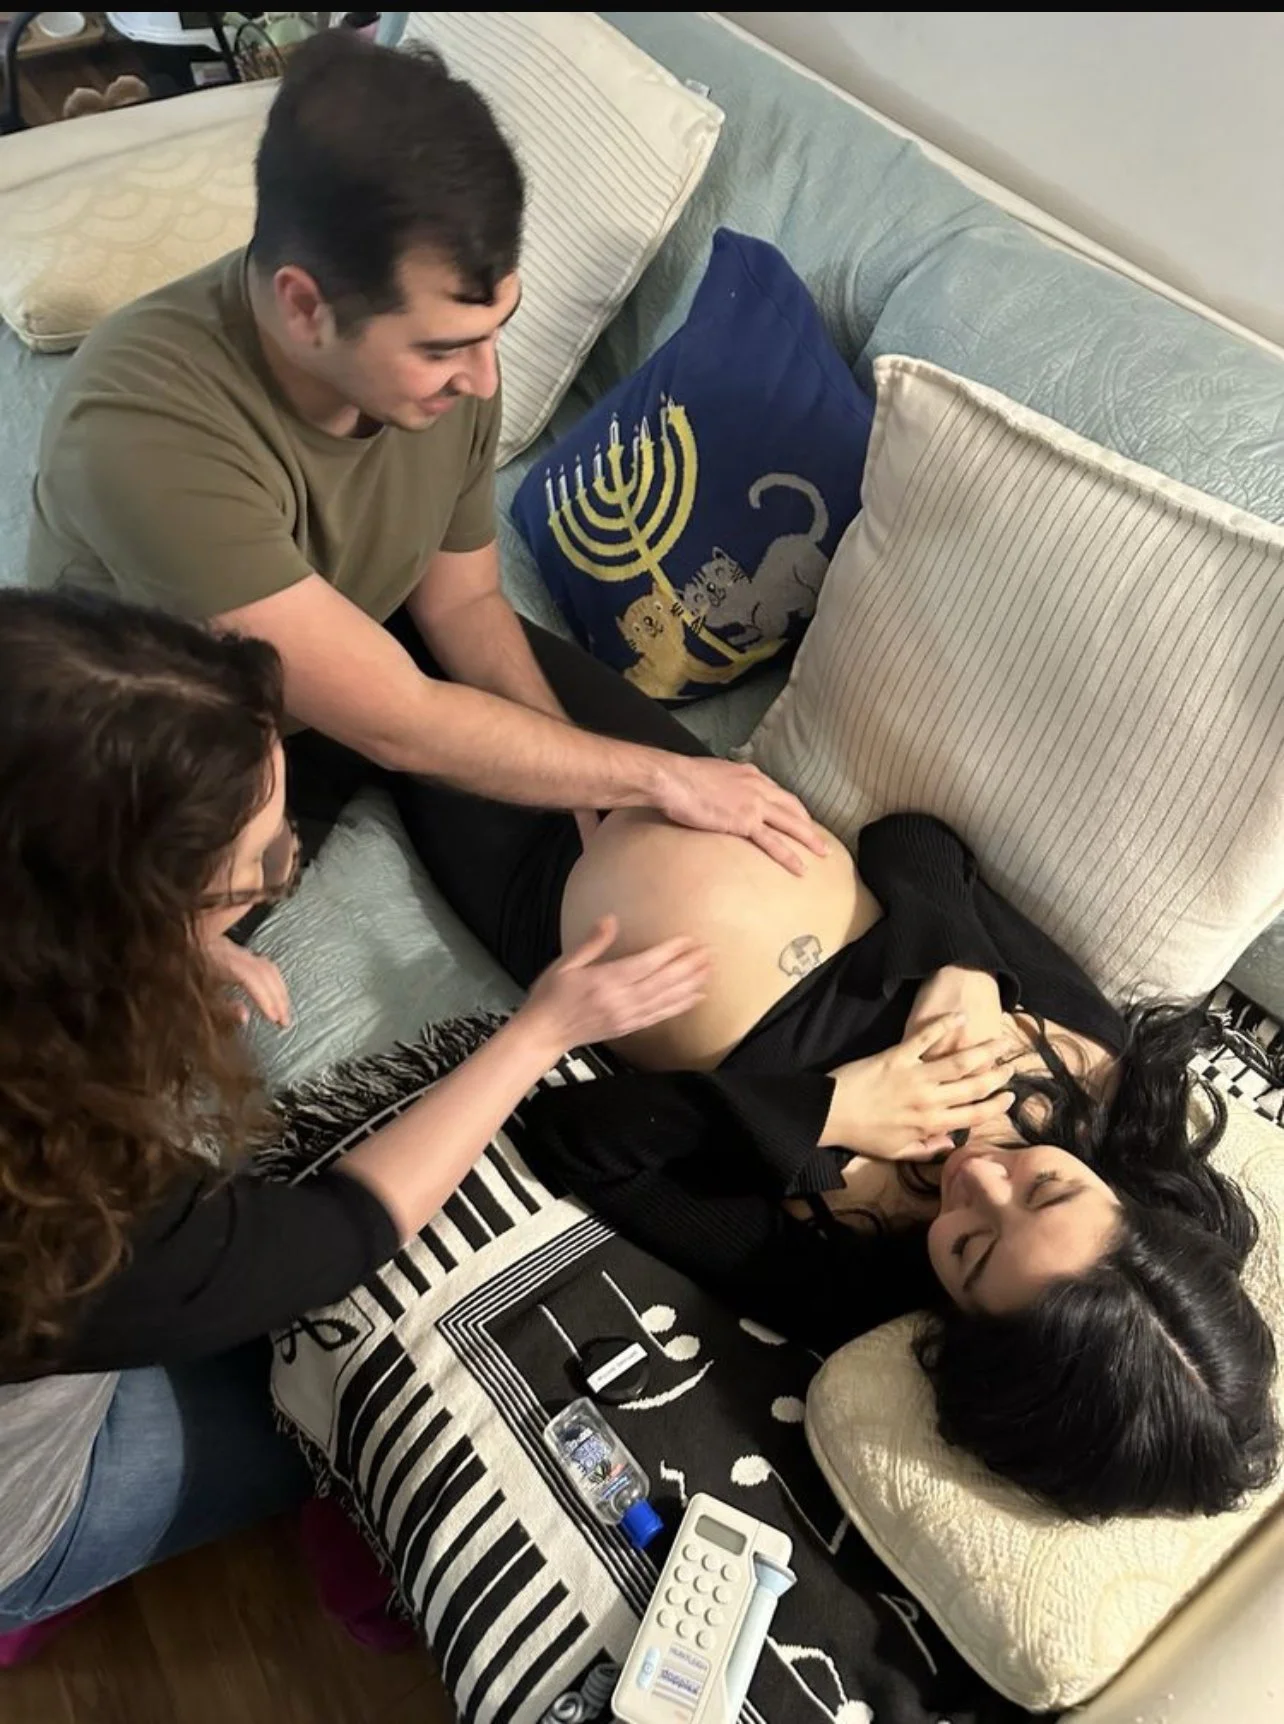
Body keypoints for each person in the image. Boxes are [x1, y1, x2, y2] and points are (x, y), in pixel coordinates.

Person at [26, 28, 823, 975]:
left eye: (497, 333)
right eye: (442, 348)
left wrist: (591, 788)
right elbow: (397, 719)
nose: (484, 382)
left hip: (352, 671)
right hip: (165, 760)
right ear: (304, 306)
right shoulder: (140, 420)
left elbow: (465, 604)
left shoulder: (450, 380)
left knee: (688, 867)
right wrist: (657, 773)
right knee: (106, 1012)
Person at [0, 590, 709, 1650]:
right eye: (261, 868)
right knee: (337, 1411)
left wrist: (182, 941)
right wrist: (541, 1031)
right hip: (25, 1500)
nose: (287, 858)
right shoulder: (70, 1209)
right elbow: (338, 1233)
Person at [513, 807, 1280, 1521]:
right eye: (1046, 1187)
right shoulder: (1083, 1059)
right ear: (1123, 1195)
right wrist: (965, 966)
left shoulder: (844, 1281)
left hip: (554, 903)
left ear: (975, 1337)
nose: (976, 1179)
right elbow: (911, 841)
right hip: (700, 797)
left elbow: (573, 1140)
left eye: (972, 1249)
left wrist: (828, 1111)